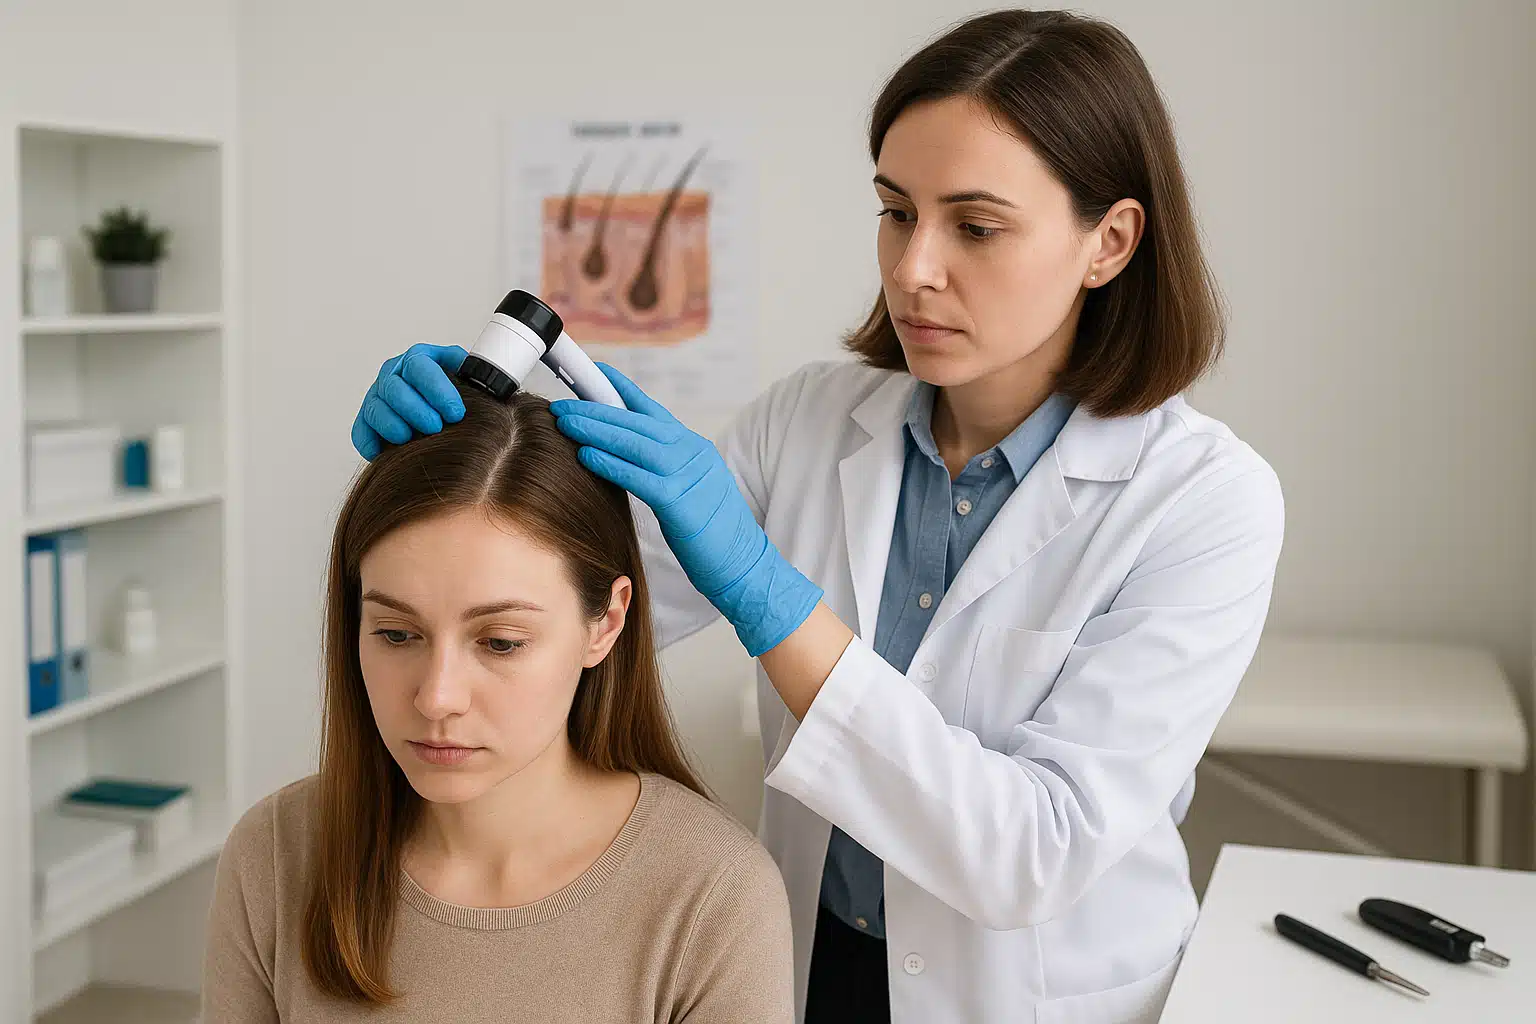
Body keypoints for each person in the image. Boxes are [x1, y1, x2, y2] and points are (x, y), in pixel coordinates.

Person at [349, 9, 1284, 1024]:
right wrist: (450, 468)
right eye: (896, 211)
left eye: (974, 225)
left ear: (1110, 241)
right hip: (811, 964)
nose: (914, 267)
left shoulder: (1202, 500)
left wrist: (766, 592)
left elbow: (1033, 852)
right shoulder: (810, 419)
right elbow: (585, 617)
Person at [204, 385, 795, 1023]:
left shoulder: (713, 896)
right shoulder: (276, 852)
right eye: (397, 634)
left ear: (604, 622)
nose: (437, 697)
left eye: (501, 642)